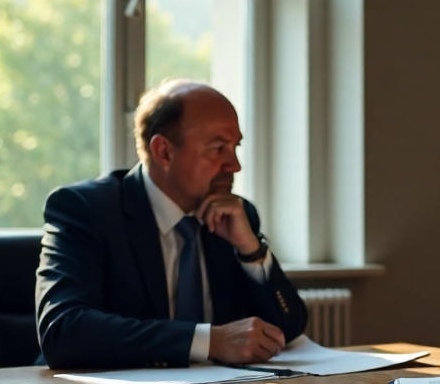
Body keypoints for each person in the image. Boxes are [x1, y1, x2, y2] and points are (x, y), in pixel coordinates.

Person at [36, 80, 307, 368]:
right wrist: (210, 341)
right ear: (164, 151)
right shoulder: (86, 209)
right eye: (218, 149)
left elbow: (286, 329)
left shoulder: (235, 215)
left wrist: (251, 251)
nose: (235, 165)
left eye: (235, 147)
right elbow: (63, 330)